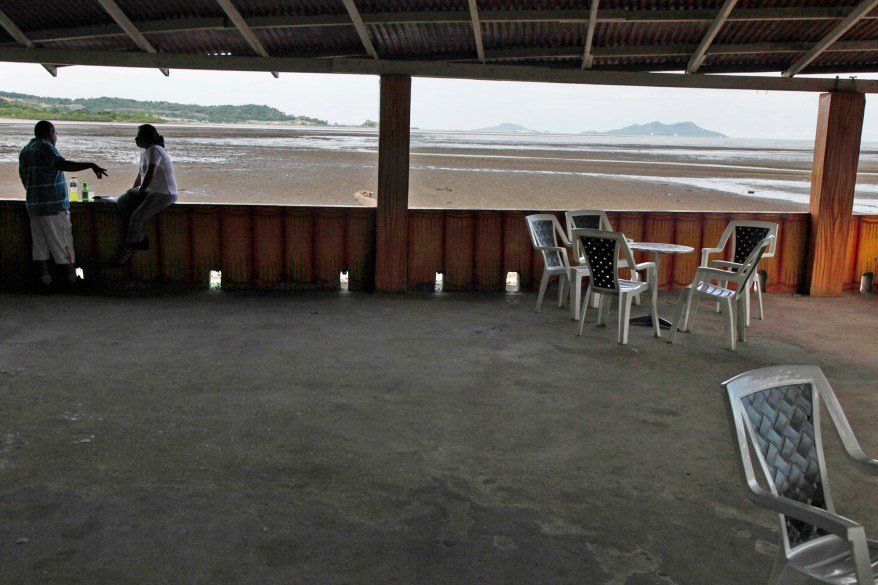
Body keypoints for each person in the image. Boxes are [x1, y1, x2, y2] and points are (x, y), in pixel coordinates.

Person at [19, 120, 108, 290]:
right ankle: (72, 280)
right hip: (53, 206)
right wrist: (90, 165)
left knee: (40, 246)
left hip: (34, 205)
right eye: (56, 133)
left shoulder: (26, 150)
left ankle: (45, 281)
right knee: (64, 244)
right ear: (51, 132)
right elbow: (61, 164)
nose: (56, 137)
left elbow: (24, 177)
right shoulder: (46, 147)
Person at [115, 124, 178, 264]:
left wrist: (141, 190)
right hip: (151, 191)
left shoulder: (155, 150)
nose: (135, 139)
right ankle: (135, 237)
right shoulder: (145, 153)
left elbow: (151, 173)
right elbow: (140, 176)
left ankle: (126, 253)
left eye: (139, 136)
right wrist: (133, 191)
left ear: (147, 138)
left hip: (164, 193)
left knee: (137, 217)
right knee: (122, 202)